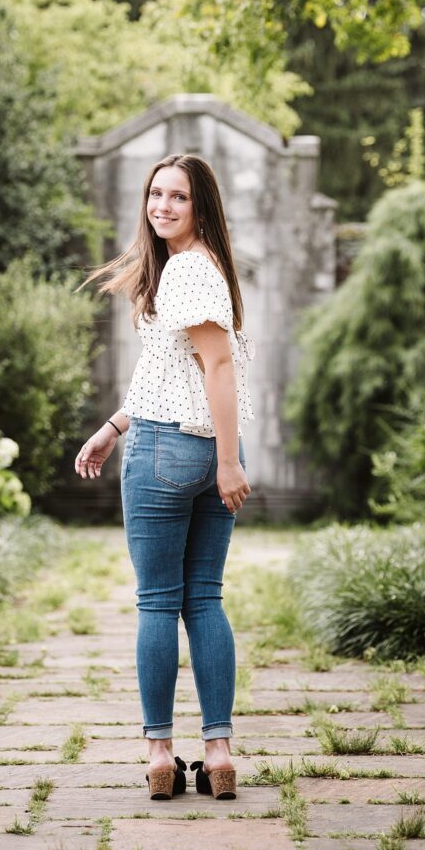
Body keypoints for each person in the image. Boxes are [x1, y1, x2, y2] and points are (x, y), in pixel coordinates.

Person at [74, 153, 254, 801]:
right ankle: (218, 751)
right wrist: (114, 425)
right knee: (203, 598)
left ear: (199, 206)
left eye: (177, 197)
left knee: (158, 602)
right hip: (195, 450)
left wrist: (229, 460)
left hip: (170, 454)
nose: (162, 206)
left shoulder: (185, 271)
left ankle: (157, 752)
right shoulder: (206, 270)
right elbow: (168, 372)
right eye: (156, 194)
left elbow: (218, 370)